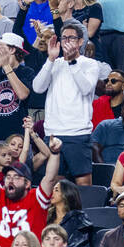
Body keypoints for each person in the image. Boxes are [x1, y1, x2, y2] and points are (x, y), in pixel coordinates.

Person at [31, 20, 101, 184]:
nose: (67, 41)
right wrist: (50, 59)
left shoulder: (90, 64)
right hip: (53, 133)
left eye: (71, 38)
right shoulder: (54, 63)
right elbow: (37, 87)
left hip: (78, 133)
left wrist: (72, 62)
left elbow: (86, 88)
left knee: (83, 184)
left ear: (80, 41)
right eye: (64, 38)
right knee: (56, 184)